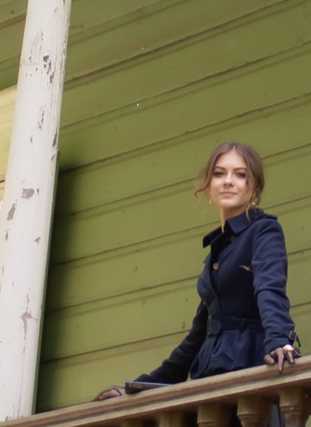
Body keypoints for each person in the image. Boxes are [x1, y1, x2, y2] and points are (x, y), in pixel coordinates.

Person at [97, 141, 299, 401]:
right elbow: (199, 335)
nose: (228, 181)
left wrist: (280, 338)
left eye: (240, 174)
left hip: (250, 373)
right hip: (210, 379)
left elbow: (269, 288)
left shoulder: (264, 230)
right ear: (209, 186)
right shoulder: (219, 249)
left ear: (255, 187)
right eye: (219, 174)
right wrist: (138, 386)